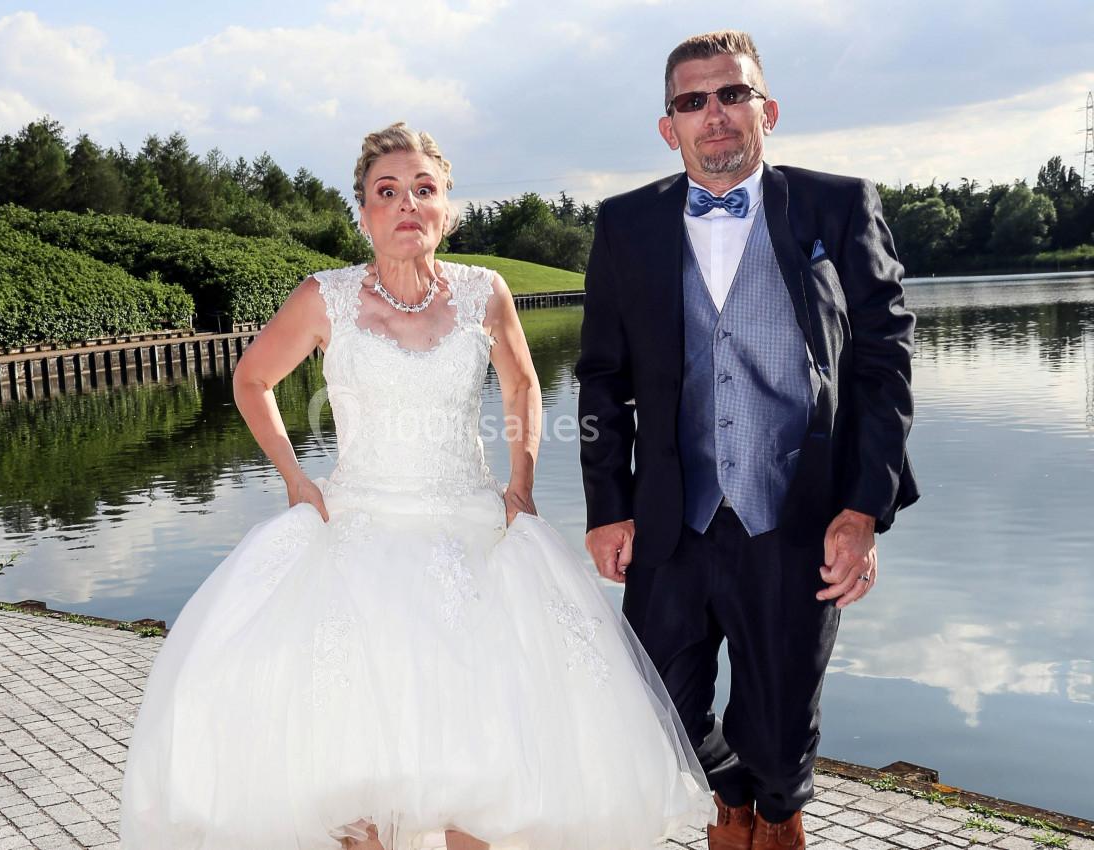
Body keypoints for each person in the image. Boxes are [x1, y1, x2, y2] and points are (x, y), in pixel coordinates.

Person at [120, 122, 713, 850]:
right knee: (356, 772)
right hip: (356, 543)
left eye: (423, 189)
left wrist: (521, 483)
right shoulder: (324, 297)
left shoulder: (485, 293)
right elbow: (252, 380)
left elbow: (524, 385)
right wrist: (296, 479)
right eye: (388, 191)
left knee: (486, 765)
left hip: (474, 540)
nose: (407, 203)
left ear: (447, 210)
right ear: (363, 213)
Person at [576, 31, 918, 850]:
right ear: (670, 128)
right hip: (673, 518)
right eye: (693, 101)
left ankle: (774, 813)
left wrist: (862, 511)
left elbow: (885, 364)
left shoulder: (838, 205)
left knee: (781, 729)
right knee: (658, 713)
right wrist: (607, 506)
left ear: (768, 111)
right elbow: (602, 377)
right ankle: (732, 796)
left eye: (733, 94)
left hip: (797, 517)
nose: (716, 114)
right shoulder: (626, 223)